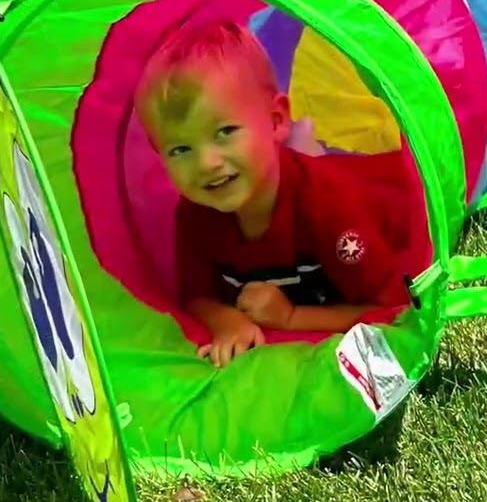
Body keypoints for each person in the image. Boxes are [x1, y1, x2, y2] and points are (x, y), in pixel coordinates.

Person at [133, 20, 412, 368]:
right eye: (180, 150)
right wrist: (228, 321)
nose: (206, 163)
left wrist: (293, 317)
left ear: (277, 119)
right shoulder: (195, 212)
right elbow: (196, 296)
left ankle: (306, 141)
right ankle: (300, 143)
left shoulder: (330, 207)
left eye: (225, 131)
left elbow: (393, 311)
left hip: (396, 195)